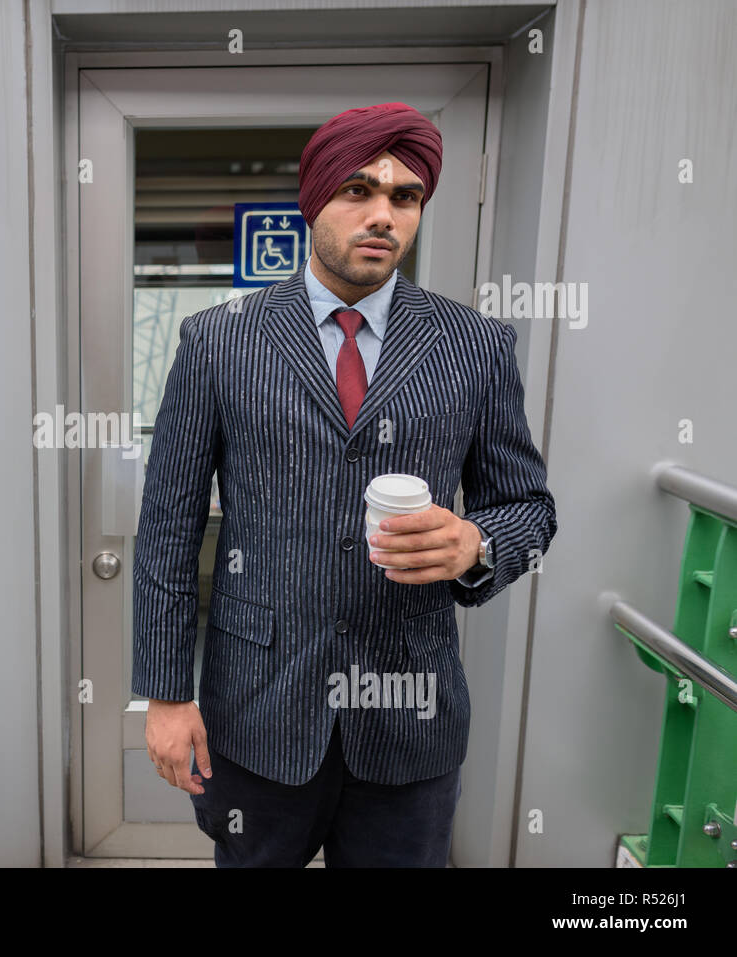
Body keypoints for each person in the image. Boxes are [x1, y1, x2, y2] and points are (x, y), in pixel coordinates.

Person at [132, 102, 558, 867]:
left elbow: (528, 506)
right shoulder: (219, 341)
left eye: (405, 196)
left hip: (410, 723)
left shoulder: (477, 345)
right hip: (258, 715)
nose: (382, 214)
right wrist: (165, 693)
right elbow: (169, 524)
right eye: (358, 190)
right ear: (315, 200)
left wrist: (476, 542)